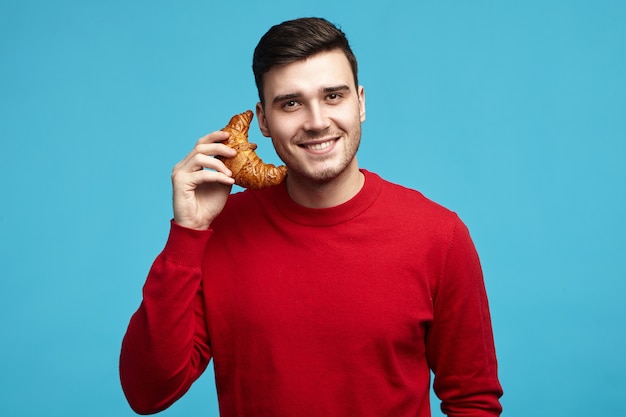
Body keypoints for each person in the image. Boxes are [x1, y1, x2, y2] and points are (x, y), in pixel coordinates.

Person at [119, 17, 503, 417]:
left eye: (333, 96)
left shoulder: (439, 236)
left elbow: (473, 401)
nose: (317, 121)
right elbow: (148, 392)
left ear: (361, 102)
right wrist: (188, 233)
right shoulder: (218, 232)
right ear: (263, 120)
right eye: (291, 103)